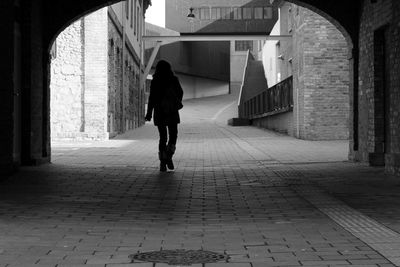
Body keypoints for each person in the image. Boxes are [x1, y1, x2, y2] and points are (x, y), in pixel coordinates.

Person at [145, 60, 183, 172]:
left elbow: (151, 98)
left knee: (163, 137)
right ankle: (169, 156)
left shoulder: (155, 80)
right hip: (171, 111)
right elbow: (180, 93)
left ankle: (163, 162)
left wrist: (148, 114)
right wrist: (175, 103)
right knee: (173, 135)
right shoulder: (174, 79)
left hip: (159, 112)